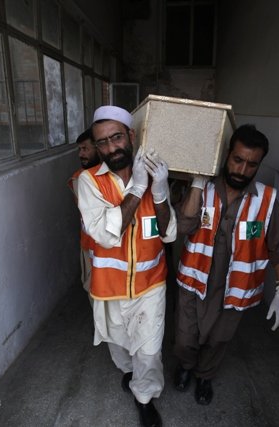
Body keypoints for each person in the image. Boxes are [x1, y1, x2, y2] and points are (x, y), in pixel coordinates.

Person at [173, 124, 279, 405]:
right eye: (237, 160)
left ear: (259, 164)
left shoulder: (266, 199)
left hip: (235, 289)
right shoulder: (203, 186)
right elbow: (183, 226)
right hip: (194, 279)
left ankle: (204, 376)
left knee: (218, 340)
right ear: (227, 155)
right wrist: (197, 184)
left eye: (252, 164)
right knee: (184, 337)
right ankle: (186, 367)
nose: (242, 169)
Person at [77, 105, 177, 427]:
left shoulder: (154, 172)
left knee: (148, 352)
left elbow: (169, 232)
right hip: (110, 287)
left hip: (151, 283)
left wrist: (159, 193)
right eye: (102, 142)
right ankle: (130, 375)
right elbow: (106, 234)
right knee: (119, 346)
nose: (110, 148)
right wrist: (136, 188)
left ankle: (145, 398)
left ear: (131, 136)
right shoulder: (89, 182)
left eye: (117, 138)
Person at [67, 128, 100, 293]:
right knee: (93, 291)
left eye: (85, 148)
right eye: (79, 149)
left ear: (98, 148)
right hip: (89, 246)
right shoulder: (79, 178)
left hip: (112, 249)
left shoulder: (115, 176)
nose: (81, 154)